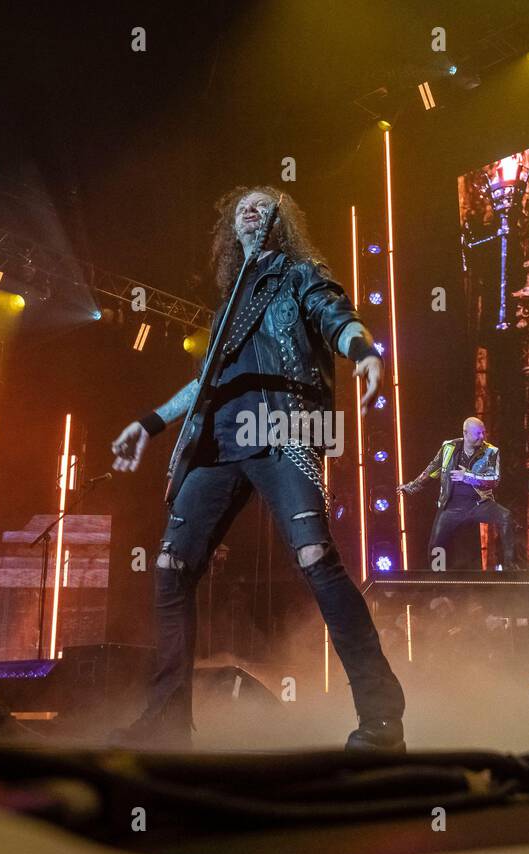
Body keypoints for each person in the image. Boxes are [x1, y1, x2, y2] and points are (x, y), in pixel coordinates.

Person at [108, 186, 406, 753]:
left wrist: (364, 351)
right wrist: (147, 424)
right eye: (241, 202)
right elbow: (203, 386)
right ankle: (167, 722)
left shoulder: (299, 273)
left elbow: (333, 316)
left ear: (279, 220)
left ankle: (382, 717)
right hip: (219, 442)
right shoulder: (227, 308)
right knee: (171, 566)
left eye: (264, 202)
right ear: (230, 227)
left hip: (285, 426)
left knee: (316, 557)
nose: (250, 206)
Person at [398, 417, 518, 570]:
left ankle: (510, 567)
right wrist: (411, 486)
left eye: (483, 433)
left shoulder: (491, 451)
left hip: (478, 504)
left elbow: (494, 479)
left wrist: (467, 476)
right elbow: (432, 470)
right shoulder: (449, 447)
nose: (482, 437)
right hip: (451, 506)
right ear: (466, 433)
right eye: (478, 434)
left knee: (505, 516)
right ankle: (438, 577)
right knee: (436, 545)